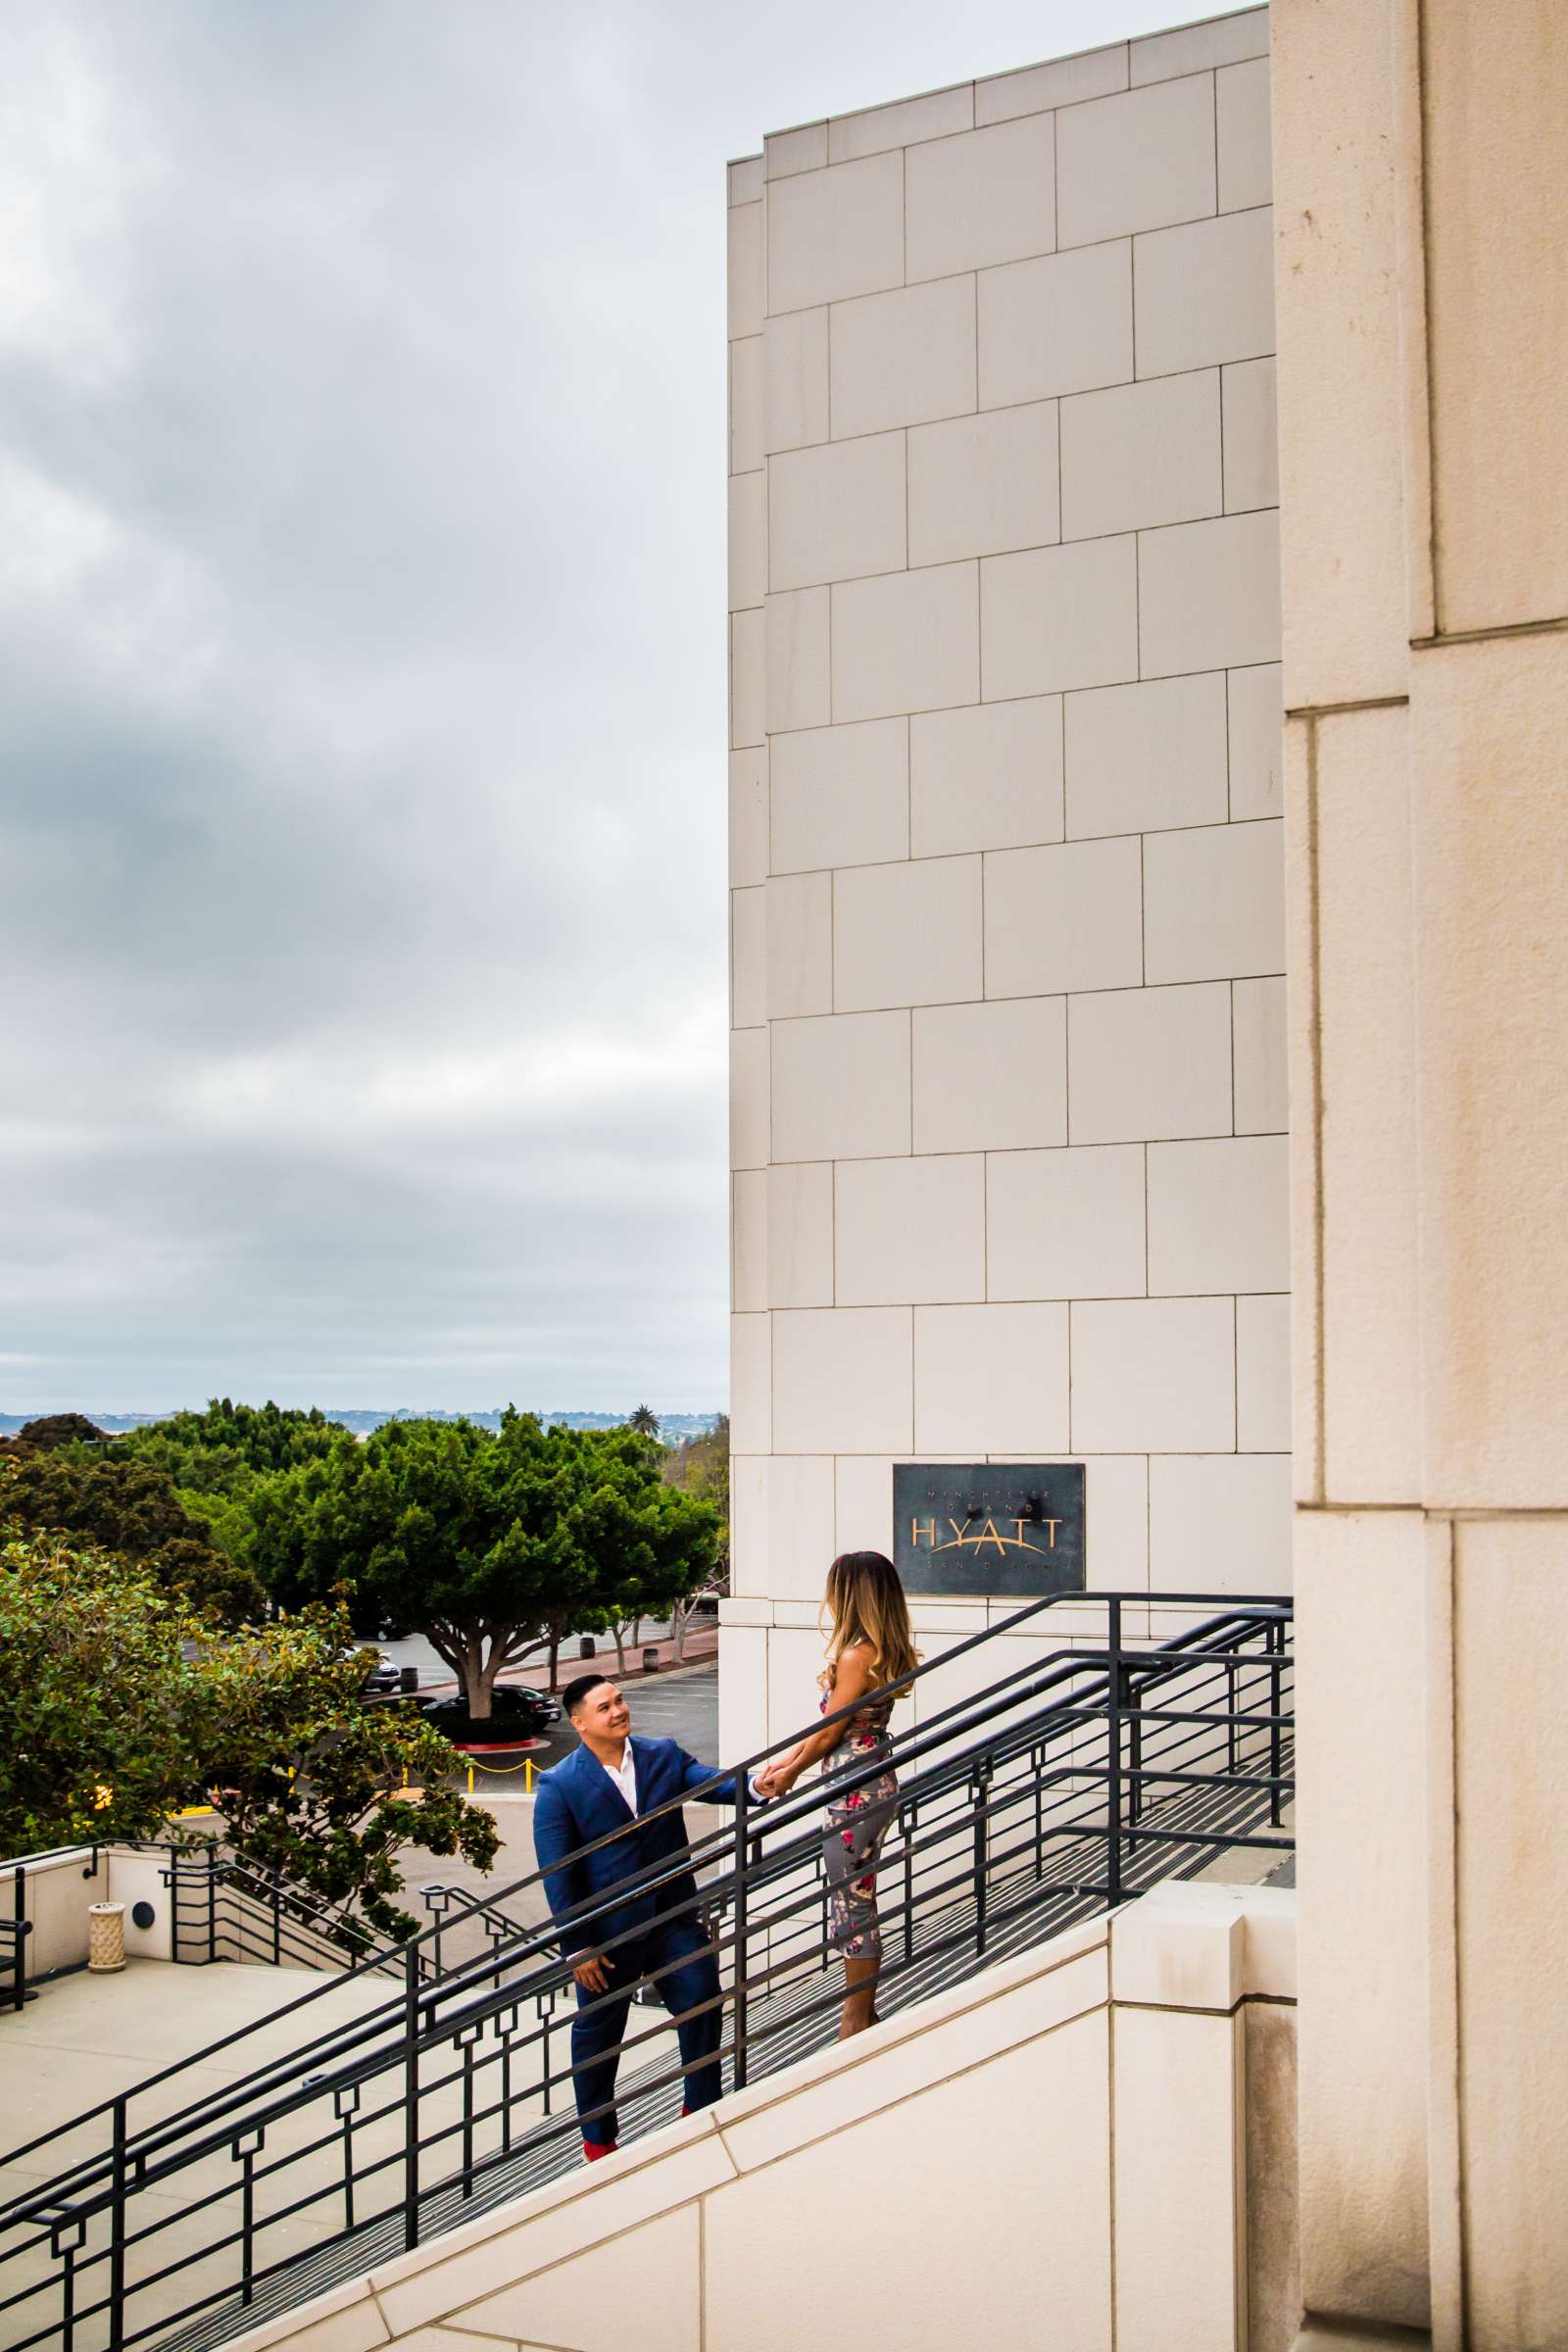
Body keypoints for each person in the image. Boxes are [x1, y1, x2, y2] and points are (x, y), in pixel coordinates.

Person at [532, 1674, 764, 2162]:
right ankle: (598, 2140)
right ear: (579, 1723)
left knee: (702, 1999)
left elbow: (712, 1783)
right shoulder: (560, 1784)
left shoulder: (662, 1754)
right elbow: (559, 1874)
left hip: (673, 1915)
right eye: (604, 1707)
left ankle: (700, 2108)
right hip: (607, 1936)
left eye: (620, 1700)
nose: (619, 1710)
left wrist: (758, 1786)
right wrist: (576, 1946)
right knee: (598, 2037)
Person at [754, 1550, 918, 2040]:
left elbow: (830, 1735)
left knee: (852, 1904)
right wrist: (786, 1761)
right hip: (870, 1779)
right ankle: (861, 2015)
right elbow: (829, 1729)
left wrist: (789, 1776)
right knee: (855, 1898)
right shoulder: (878, 1650)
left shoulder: (854, 1655)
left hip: (854, 1791)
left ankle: (856, 2019)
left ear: (849, 1594)